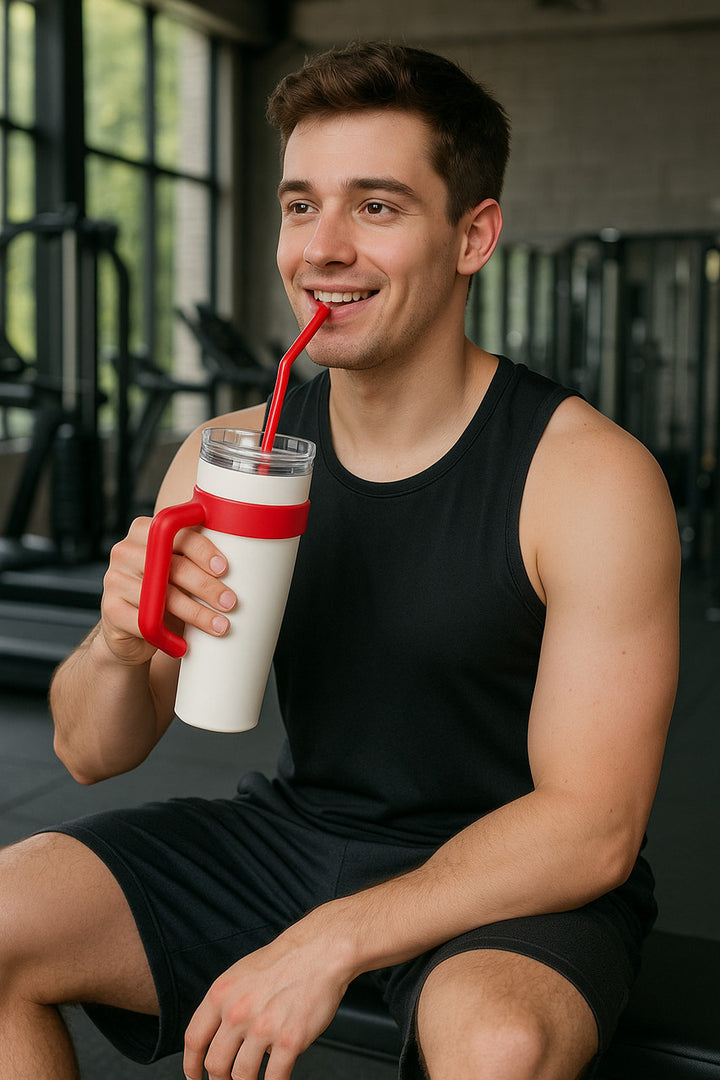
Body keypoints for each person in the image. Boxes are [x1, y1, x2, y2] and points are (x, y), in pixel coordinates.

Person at [0, 41, 680, 1080]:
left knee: (497, 1045)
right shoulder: (228, 455)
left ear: (473, 235)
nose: (321, 246)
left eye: (376, 207)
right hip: (297, 835)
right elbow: (94, 753)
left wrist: (336, 936)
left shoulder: (587, 478)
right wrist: (115, 641)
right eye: (300, 204)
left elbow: (594, 827)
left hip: (511, 870)